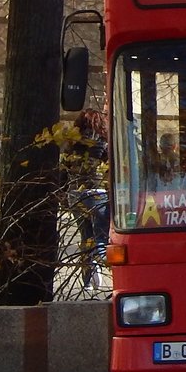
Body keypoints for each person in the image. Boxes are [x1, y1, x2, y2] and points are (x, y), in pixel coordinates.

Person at [65, 108, 110, 289]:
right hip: (96, 192)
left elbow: (64, 168)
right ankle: (102, 261)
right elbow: (110, 168)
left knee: (86, 237)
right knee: (101, 235)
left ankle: (88, 280)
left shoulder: (71, 144)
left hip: (74, 194)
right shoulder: (102, 143)